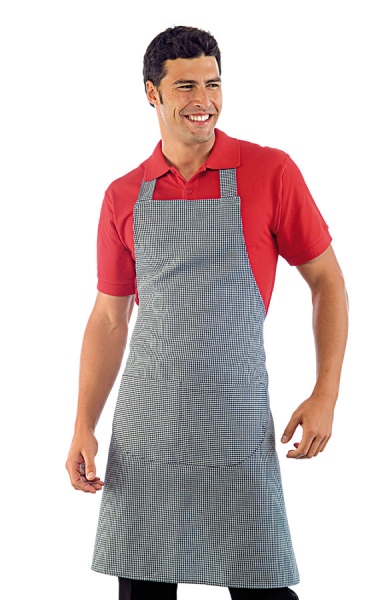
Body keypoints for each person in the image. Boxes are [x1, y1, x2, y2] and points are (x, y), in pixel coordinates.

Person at [66, 25, 348, 600]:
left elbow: (327, 282)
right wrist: (83, 425)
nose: (204, 100)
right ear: (152, 93)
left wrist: (326, 393)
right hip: (147, 431)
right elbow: (109, 319)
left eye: (213, 84)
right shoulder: (123, 195)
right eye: (186, 86)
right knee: (143, 592)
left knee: (262, 588)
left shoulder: (270, 171)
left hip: (236, 425)